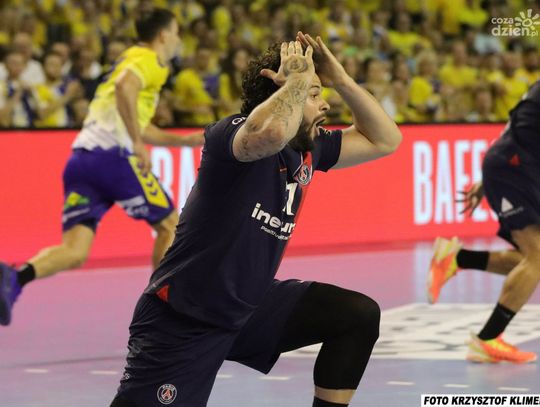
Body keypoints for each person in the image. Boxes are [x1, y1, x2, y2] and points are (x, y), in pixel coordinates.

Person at [109, 32, 401, 407]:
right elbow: (272, 133)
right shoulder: (230, 135)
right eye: (314, 94)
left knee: (356, 315)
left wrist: (341, 79)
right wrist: (296, 83)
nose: (325, 104)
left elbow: (385, 140)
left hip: (248, 307)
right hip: (185, 317)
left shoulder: (310, 147)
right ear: (280, 90)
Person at [0, 8, 204, 327]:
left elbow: (137, 120)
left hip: (82, 160)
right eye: (177, 32)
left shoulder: (128, 59)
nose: (179, 39)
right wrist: (136, 143)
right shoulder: (149, 59)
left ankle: (15, 277)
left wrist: (183, 141)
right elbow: (125, 88)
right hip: (114, 158)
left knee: (75, 250)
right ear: (164, 35)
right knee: (169, 225)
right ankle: (158, 314)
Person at [428, 81, 540, 364]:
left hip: (516, 167)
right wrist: (496, 171)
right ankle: (488, 339)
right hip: (515, 169)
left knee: (532, 258)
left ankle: (457, 258)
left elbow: (518, 125)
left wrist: (490, 174)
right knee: (537, 255)